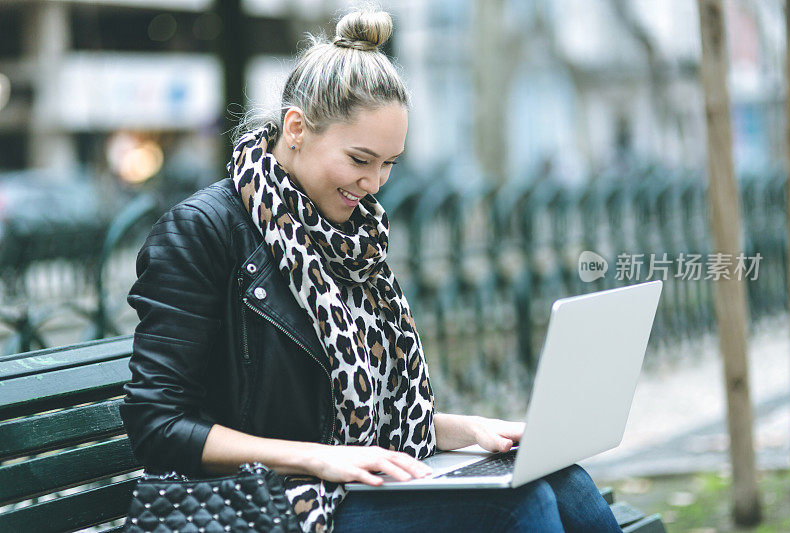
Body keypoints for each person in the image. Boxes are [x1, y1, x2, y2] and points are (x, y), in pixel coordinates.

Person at [120, 5, 623, 533]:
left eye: (389, 164)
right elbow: (160, 426)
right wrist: (318, 458)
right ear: (296, 128)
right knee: (517, 506)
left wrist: (470, 431)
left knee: (561, 478)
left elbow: (363, 414)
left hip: (341, 484)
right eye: (361, 160)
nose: (375, 184)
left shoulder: (351, 238)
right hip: (258, 501)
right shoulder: (202, 231)